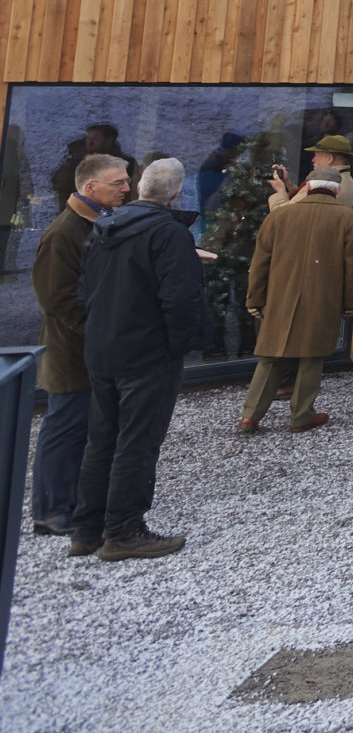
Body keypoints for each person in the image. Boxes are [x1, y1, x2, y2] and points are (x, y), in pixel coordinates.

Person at [68, 158, 213, 559]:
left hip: (103, 347)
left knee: (102, 439)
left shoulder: (105, 227)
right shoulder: (168, 234)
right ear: (176, 193)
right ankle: (124, 530)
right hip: (146, 353)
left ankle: (87, 529)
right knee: (138, 441)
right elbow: (180, 301)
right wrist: (184, 344)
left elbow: (85, 289)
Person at [30, 154, 131, 536]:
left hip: (91, 347)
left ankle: (73, 503)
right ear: (91, 188)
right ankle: (52, 512)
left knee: (86, 428)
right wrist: (100, 333)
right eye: (118, 183)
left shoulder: (97, 223)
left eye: (126, 181)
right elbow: (55, 298)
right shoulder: (64, 232)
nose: (126, 188)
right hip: (72, 352)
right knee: (65, 427)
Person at [237, 167, 353, 435]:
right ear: (337, 191)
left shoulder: (280, 215)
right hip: (323, 298)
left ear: (306, 187)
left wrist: (254, 298)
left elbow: (260, 262)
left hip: (279, 296)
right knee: (312, 356)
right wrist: (350, 303)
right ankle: (301, 416)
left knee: (271, 357)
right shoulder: (349, 217)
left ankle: (249, 417)